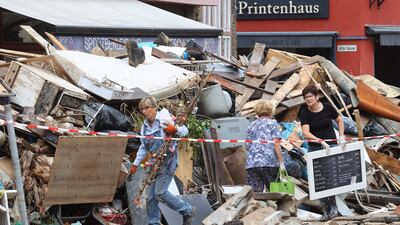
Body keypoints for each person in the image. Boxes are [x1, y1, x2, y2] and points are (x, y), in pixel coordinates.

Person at [130, 96, 194, 225]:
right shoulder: (144, 127)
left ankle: (187, 210)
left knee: (160, 193)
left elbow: (185, 131)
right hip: (155, 163)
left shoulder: (165, 118)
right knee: (150, 197)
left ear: (154, 107)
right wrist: (135, 164)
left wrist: (175, 129)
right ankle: (154, 223)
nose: (144, 111)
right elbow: (143, 146)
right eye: (142, 109)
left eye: (147, 108)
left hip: (168, 161)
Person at [298, 84, 346, 221]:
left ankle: (334, 208)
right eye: (305, 97)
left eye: (310, 96)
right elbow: (306, 133)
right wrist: (320, 141)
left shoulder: (327, 107)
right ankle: (327, 210)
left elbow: (340, 120)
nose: (308, 99)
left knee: (332, 177)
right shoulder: (304, 113)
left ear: (316, 96)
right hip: (316, 148)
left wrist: (341, 136)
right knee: (321, 180)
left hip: (331, 147)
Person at [245, 100, 285, 192]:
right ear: (271, 110)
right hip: (269, 163)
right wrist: (281, 163)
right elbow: (276, 144)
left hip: (252, 164)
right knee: (277, 193)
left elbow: (247, 146)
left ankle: (259, 207)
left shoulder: (251, 125)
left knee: (256, 195)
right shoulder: (273, 123)